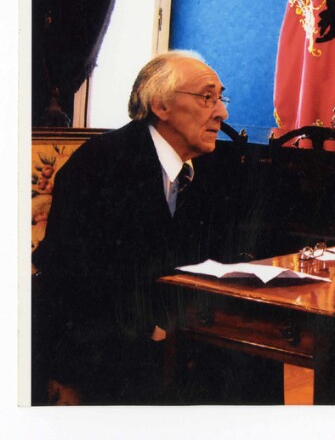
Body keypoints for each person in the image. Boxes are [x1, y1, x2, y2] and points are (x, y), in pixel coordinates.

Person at [31, 50, 282, 405]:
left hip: (182, 335)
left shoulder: (212, 169)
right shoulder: (100, 164)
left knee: (259, 356)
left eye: (220, 99)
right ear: (161, 106)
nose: (222, 113)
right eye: (206, 97)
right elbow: (68, 277)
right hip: (108, 345)